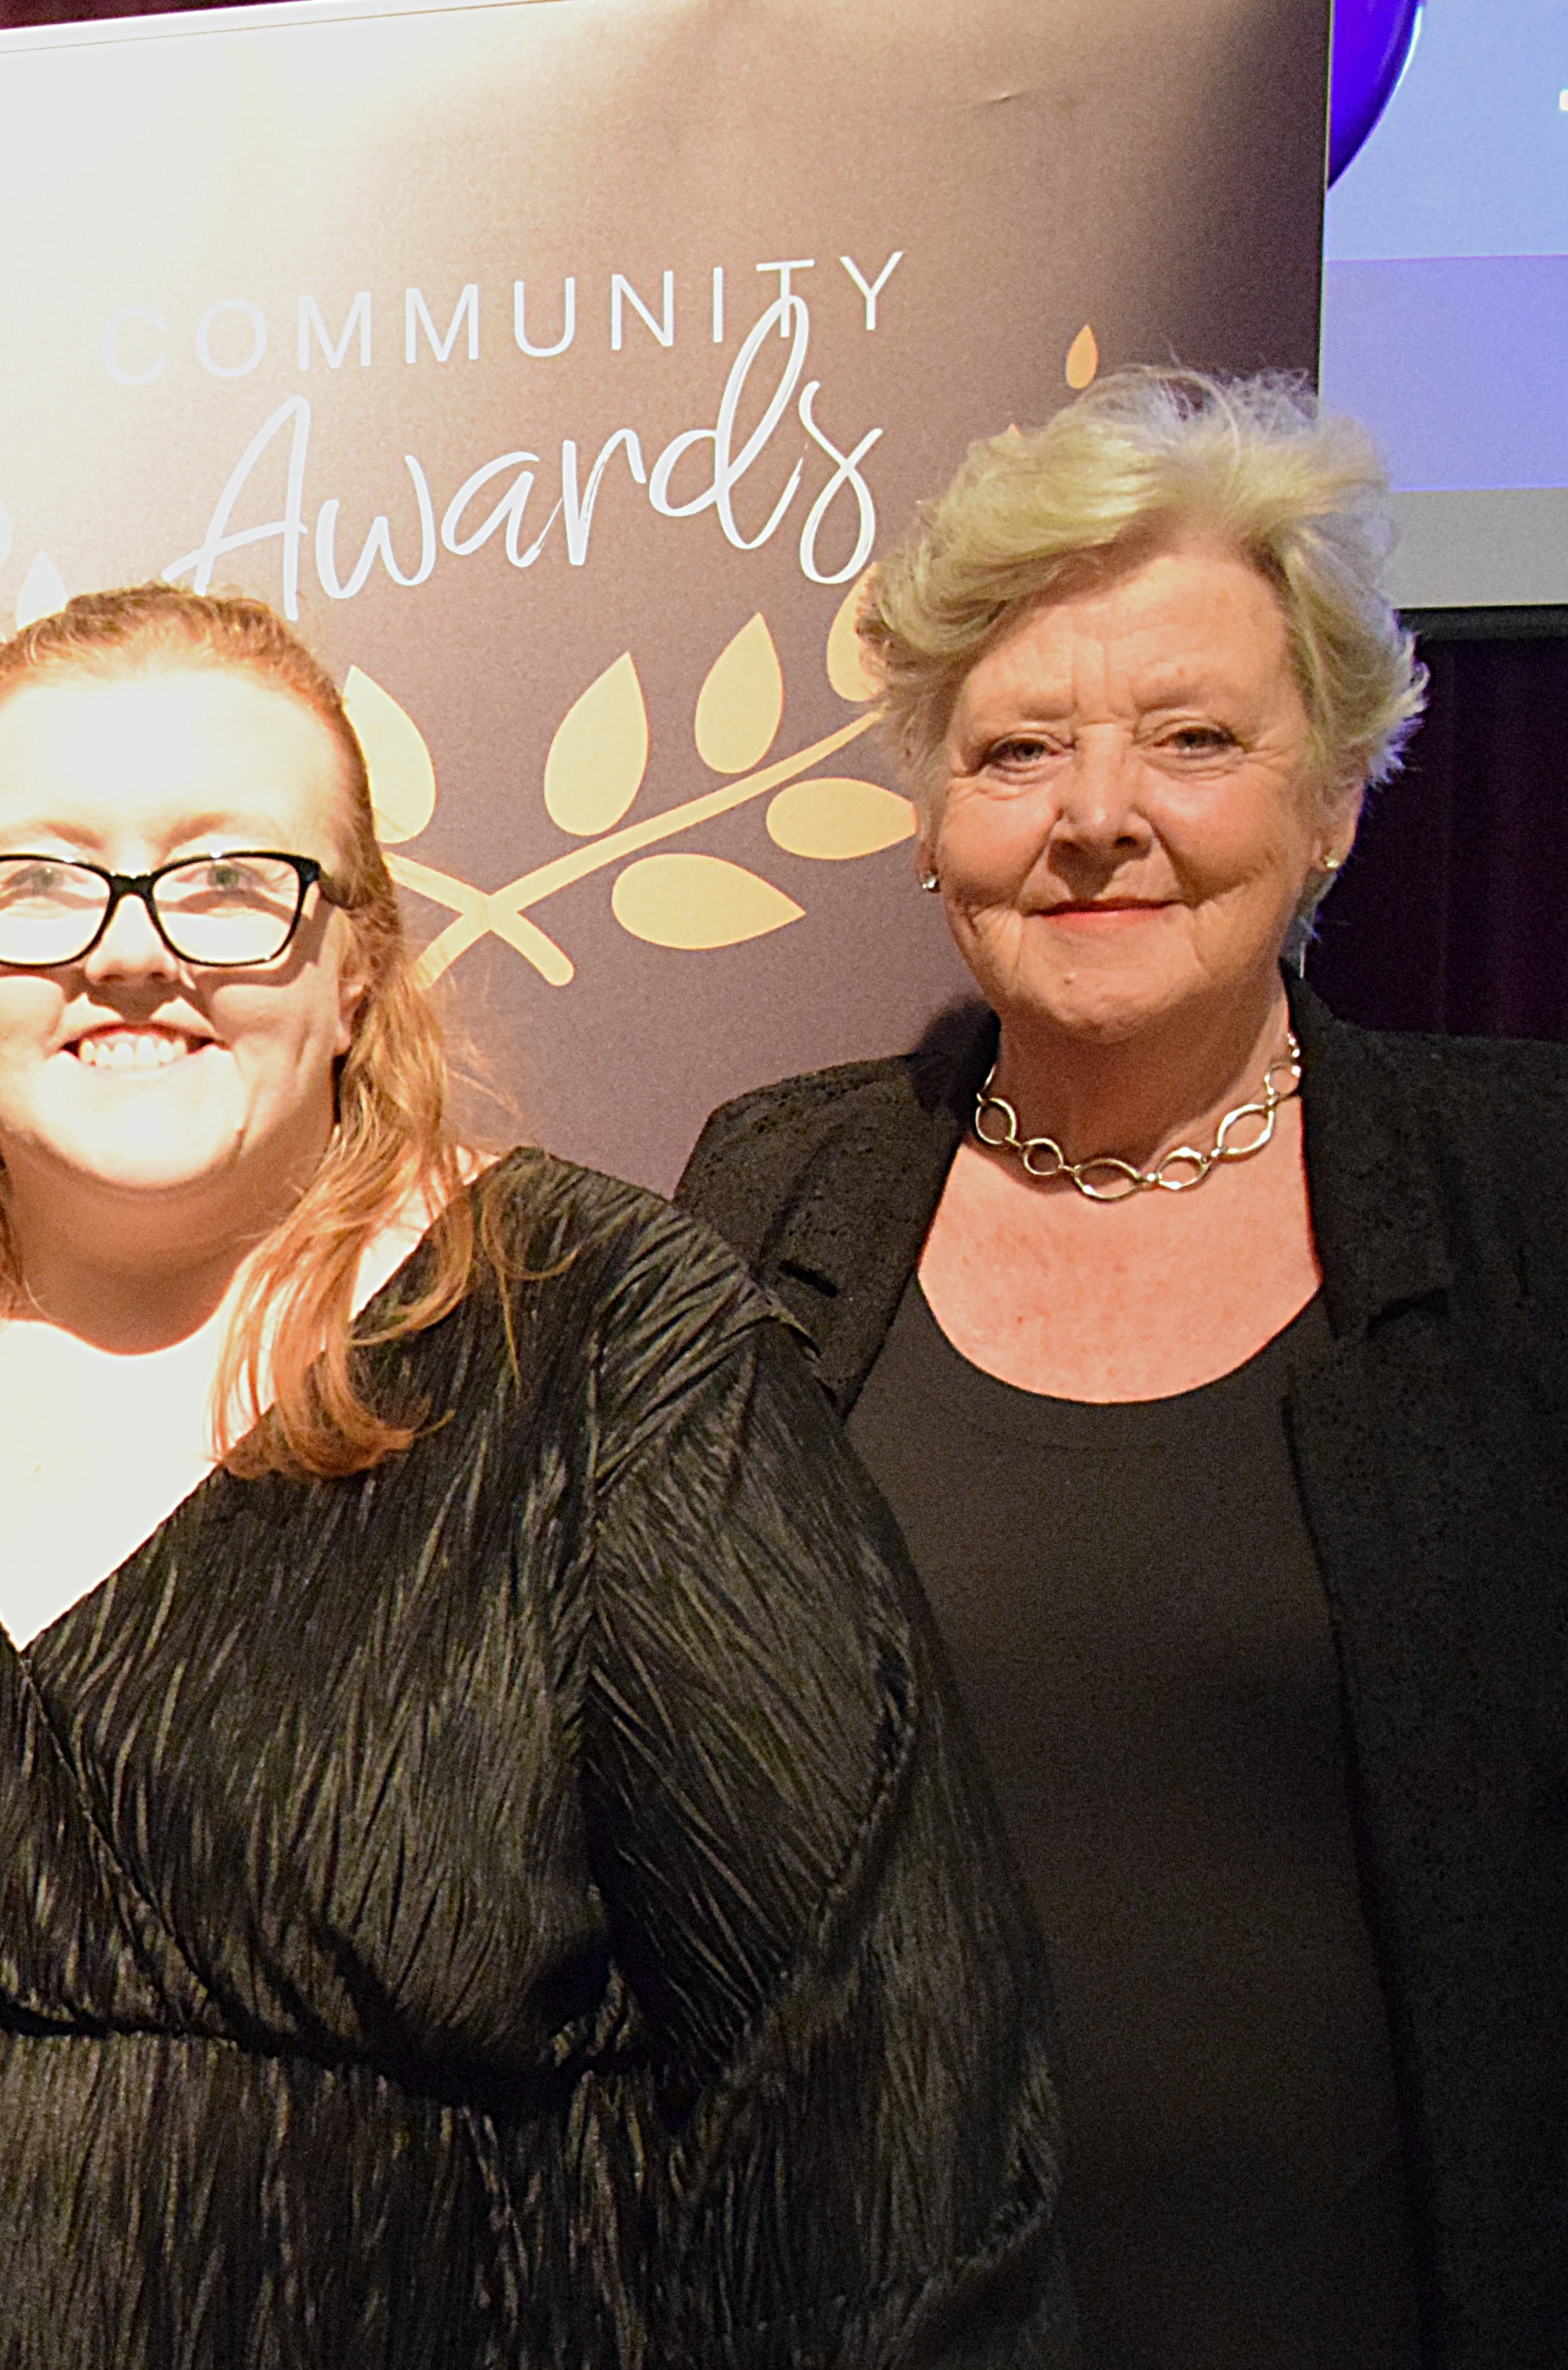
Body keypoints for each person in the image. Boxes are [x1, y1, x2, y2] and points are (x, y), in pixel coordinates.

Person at [0, 583, 1062, 2370]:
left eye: (227, 877)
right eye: (36, 879)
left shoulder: (601, 1350)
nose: (132, 951)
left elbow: (867, 2076)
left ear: (356, 963)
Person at [676, 370, 1568, 2370]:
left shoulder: (1529, 1206)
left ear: (1332, 795)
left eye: (1191, 738)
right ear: (931, 821)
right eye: (1016, 750)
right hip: (859, 2315)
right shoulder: (774, 1186)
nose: (1096, 818)